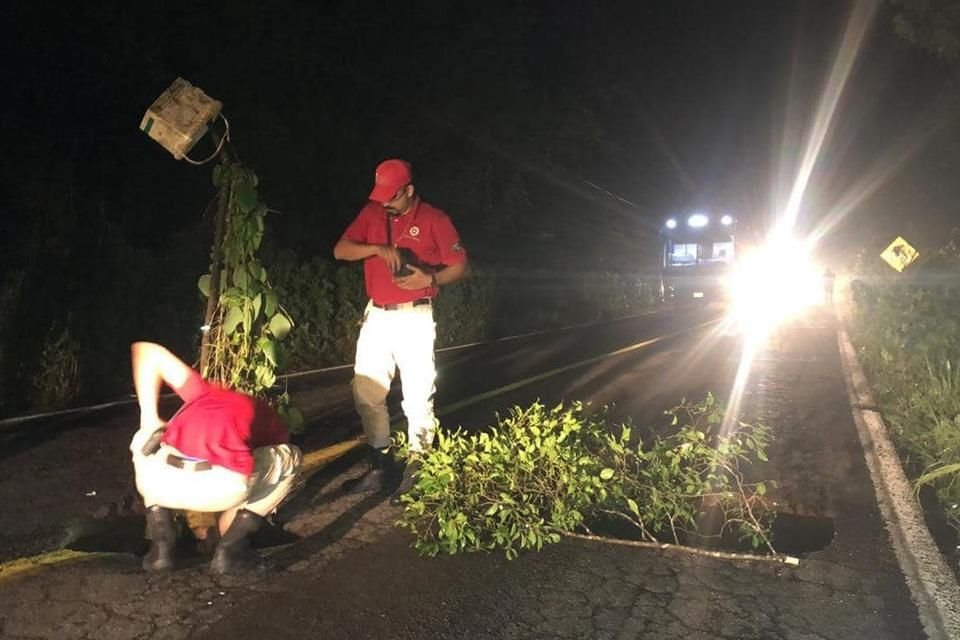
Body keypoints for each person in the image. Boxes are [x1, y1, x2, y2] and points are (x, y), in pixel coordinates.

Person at [334, 159, 469, 503]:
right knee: (367, 391)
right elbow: (341, 250)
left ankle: (420, 466)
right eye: (380, 197)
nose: (385, 204)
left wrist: (432, 278)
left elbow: (460, 266)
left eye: (392, 197)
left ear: (409, 190)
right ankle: (380, 465)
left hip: (415, 317)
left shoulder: (434, 219)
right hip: (377, 315)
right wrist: (377, 248)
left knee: (417, 394)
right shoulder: (372, 214)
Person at [129, 341, 301, 573]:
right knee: (290, 457)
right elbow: (257, 465)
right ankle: (231, 551)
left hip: (158, 483)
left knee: (146, 438)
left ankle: (162, 548)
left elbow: (146, 350)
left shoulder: (199, 393)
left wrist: (149, 416)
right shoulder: (262, 413)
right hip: (223, 489)